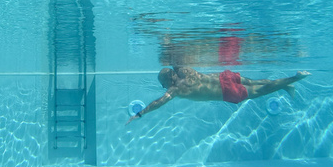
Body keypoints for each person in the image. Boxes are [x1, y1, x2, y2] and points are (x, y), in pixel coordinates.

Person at [126, 67, 310, 125]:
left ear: (167, 81)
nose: (163, 87)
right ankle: (288, 86)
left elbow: (159, 103)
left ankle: (294, 79)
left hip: (225, 92)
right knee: (256, 82)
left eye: (163, 84)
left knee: (260, 91)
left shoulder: (176, 90)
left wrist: (139, 114)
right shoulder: (184, 70)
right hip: (224, 77)